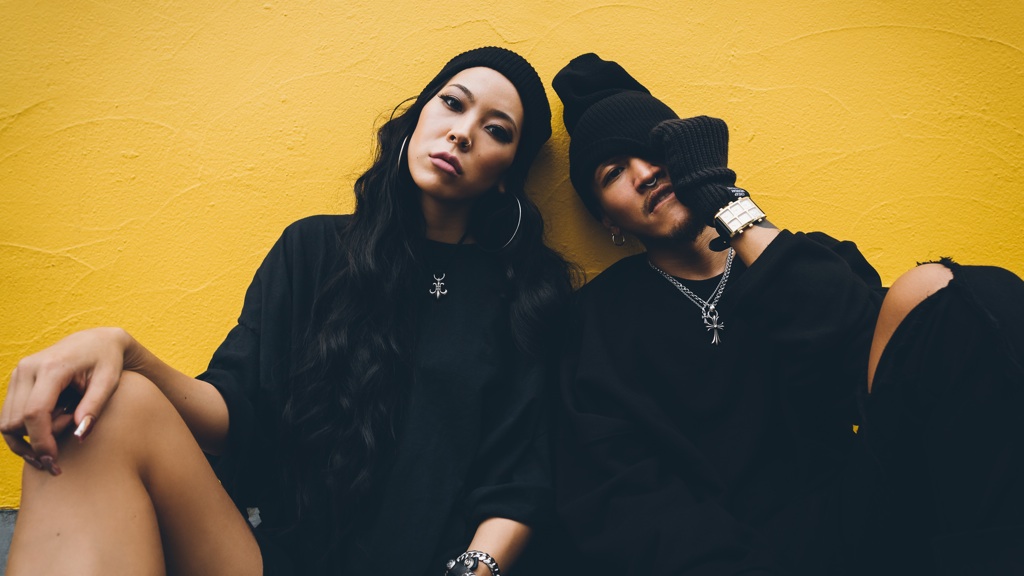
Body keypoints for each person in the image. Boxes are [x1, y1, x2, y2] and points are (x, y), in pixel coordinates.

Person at [1, 46, 577, 576]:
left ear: (507, 177)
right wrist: (123, 350)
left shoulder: (525, 294)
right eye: (452, 103)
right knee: (107, 404)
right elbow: (238, 408)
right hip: (273, 563)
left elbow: (520, 478)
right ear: (417, 118)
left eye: (496, 130)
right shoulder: (315, 250)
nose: (462, 133)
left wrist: (477, 569)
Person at [550, 53, 1024, 575]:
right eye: (613, 172)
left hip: (867, 525)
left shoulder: (804, 260)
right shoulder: (595, 321)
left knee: (956, 291)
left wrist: (727, 206)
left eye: (655, 148)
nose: (644, 174)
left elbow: (875, 376)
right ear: (607, 219)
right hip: (718, 564)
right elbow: (620, 499)